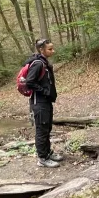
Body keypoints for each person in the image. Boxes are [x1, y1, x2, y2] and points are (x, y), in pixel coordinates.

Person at [25, 38, 63, 168]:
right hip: (39, 102)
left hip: (46, 102)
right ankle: (42, 158)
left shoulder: (44, 62)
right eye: (50, 49)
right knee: (41, 130)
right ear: (42, 50)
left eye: (52, 48)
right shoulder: (38, 64)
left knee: (47, 129)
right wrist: (44, 92)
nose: (53, 51)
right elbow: (29, 82)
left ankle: (47, 153)